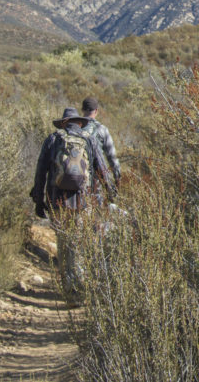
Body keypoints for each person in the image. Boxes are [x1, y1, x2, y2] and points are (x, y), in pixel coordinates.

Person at [31, 107, 112, 301]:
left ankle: (68, 288)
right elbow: (101, 169)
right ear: (79, 122)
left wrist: (38, 201)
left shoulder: (53, 139)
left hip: (57, 201)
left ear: (64, 122)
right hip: (83, 202)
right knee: (79, 243)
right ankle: (78, 288)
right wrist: (110, 192)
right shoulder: (89, 140)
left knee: (64, 242)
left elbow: (41, 172)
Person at [80, 97, 121, 185]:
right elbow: (112, 157)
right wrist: (117, 177)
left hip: (76, 178)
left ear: (82, 110)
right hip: (96, 180)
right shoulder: (102, 129)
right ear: (96, 111)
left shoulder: (76, 129)